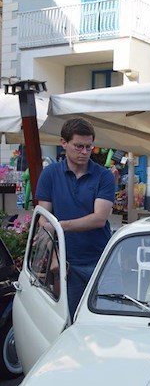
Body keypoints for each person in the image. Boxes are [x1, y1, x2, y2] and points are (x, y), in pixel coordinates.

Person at [36, 117, 116, 321]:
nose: (84, 152)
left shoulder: (103, 176)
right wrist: (54, 257)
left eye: (89, 147)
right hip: (67, 262)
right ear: (63, 143)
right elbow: (43, 220)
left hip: (101, 260)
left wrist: (60, 226)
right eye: (78, 146)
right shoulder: (50, 174)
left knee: (106, 319)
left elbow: (99, 219)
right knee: (70, 321)